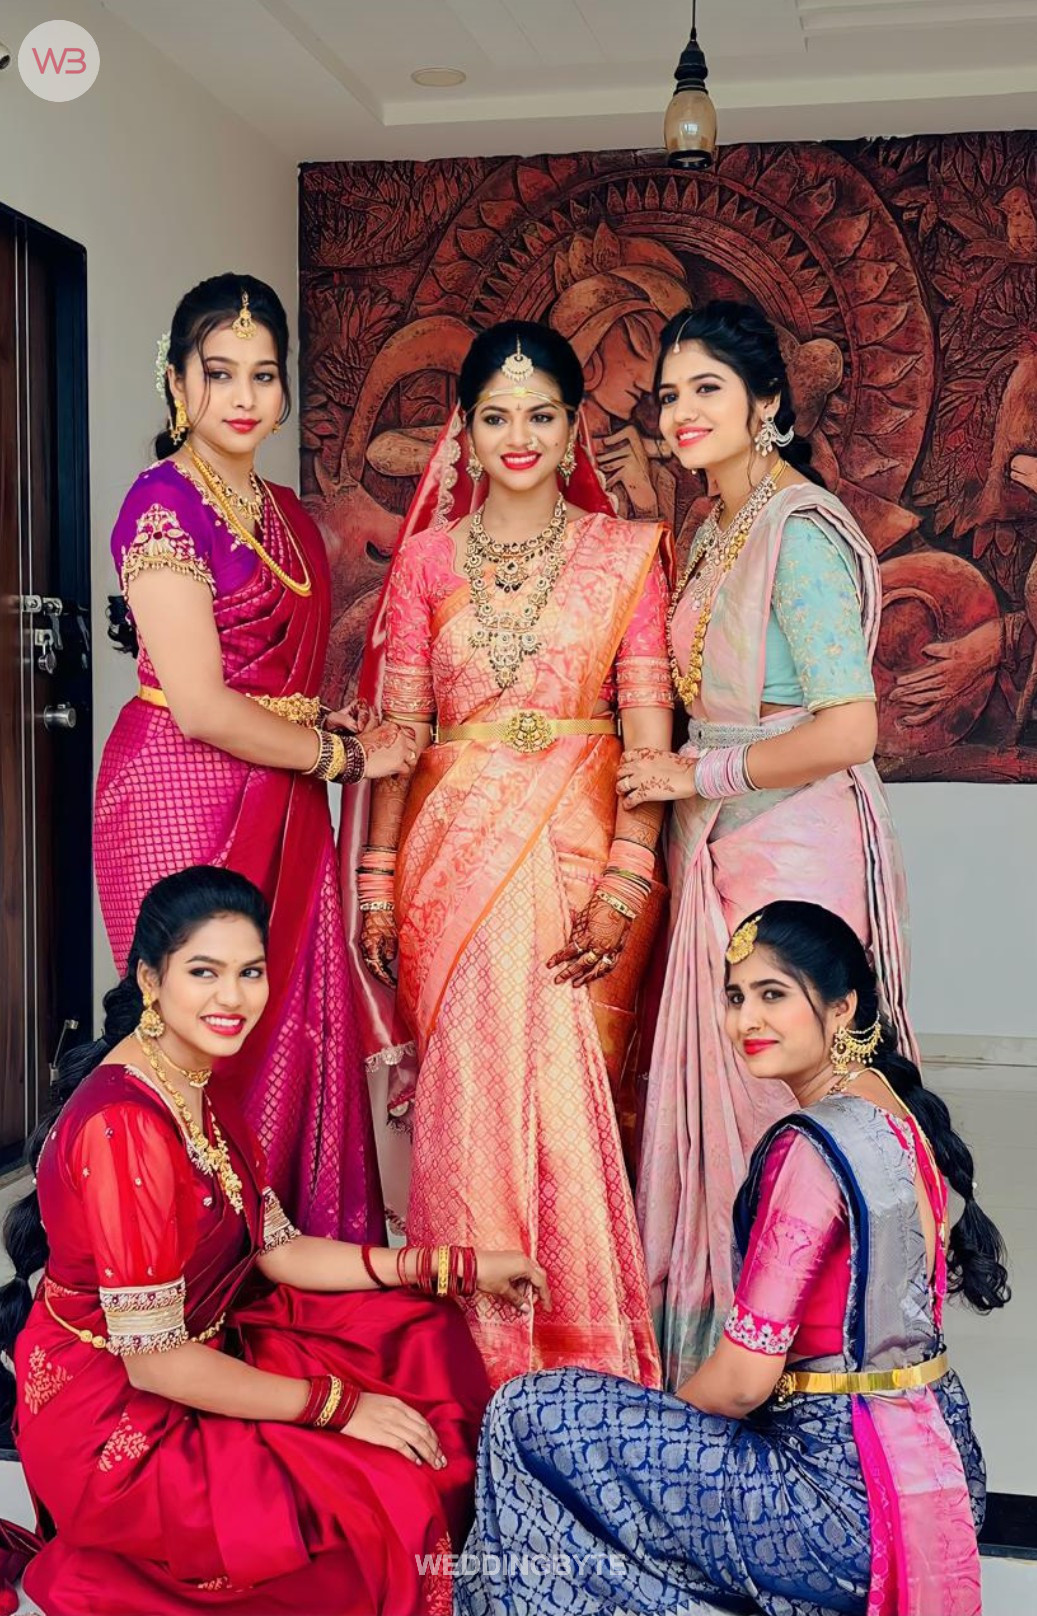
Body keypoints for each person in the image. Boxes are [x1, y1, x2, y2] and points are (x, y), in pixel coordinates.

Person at [0, 867, 548, 1616]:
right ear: (151, 980)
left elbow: (277, 1248)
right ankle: (91, 1577)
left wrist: (452, 1266)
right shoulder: (125, 1129)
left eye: (249, 972)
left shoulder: (195, 1079)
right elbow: (155, 1363)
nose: (232, 998)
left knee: (419, 1329)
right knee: (376, 1502)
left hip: (206, 1345)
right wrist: (339, 1406)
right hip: (121, 1409)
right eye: (204, 972)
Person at [457, 900, 1008, 1616]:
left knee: (526, 1412)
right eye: (735, 997)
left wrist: (663, 1432)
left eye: (772, 994)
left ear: (842, 1008)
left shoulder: (813, 1147)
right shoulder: (898, 1115)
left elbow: (744, 1383)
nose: (746, 1020)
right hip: (936, 1478)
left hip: (838, 1506)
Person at [350, 320, 673, 1387]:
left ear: (574, 425)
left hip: (580, 853)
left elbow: (647, 738)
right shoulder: (427, 560)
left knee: (569, 1101)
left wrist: (624, 883)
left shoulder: (625, 554)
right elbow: (401, 733)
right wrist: (376, 883)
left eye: (540, 415)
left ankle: (585, 1360)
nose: (519, 435)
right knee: (468, 1104)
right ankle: (472, 1362)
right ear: (466, 432)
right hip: (451, 862)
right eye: (496, 416)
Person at [622, 300, 916, 1383]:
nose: (683, 412)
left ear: (767, 404)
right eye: (669, 394)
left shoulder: (794, 533)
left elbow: (849, 729)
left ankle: (810, 1352)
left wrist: (698, 775)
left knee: (780, 1084)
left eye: (707, 388)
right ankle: (728, 1347)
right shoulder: (716, 525)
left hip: (791, 849)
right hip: (724, 843)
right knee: (735, 1084)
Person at [94, 274, 416, 1241]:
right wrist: (343, 759)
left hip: (285, 789)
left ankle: (277, 1256)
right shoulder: (160, 503)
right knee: (200, 1015)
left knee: (289, 1027)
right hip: (178, 792)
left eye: (262, 375)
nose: (243, 396)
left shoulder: (283, 510)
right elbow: (200, 704)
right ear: (177, 383)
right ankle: (179, 1257)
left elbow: (273, 684)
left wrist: (331, 724)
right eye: (219, 372)